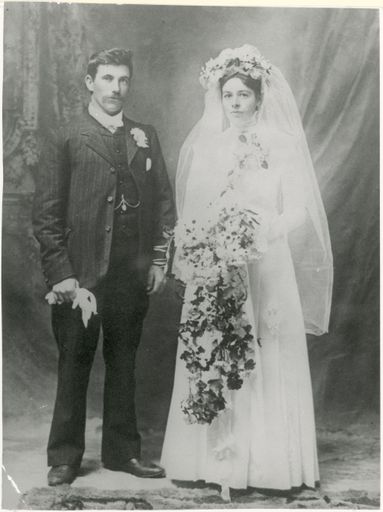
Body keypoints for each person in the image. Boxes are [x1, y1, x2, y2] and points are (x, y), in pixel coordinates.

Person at [161, 44, 333, 498]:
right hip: (218, 266)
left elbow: (299, 209)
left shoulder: (282, 145)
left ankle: (268, 465)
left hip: (266, 266)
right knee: (214, 346)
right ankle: (210, 459)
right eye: (229, 95)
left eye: (243, 94)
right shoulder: (207, 145)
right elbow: (192, 211)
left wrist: (265, 232)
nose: (235, 103)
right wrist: (204, 244)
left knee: (264, 350)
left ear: (260, 97)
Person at [33, 48, 175, 486]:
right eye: (108, 79)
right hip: (81, 278)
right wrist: (62, 274)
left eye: (124, 80)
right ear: (90, 82)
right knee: (74, 362)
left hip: (130, 276)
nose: (116, 88)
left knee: (124, 362)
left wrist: (157, 261)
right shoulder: (66, 136)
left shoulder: (144, 134)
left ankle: (121, 452)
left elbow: (165, 205)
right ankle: (65, 456)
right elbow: (46, 214)